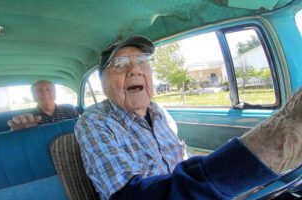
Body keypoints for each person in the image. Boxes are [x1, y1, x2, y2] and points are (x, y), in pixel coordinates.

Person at [74, 35, 302, 200]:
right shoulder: (94, 121)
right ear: (103, 83)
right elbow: (128, 196)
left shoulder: (159, 112)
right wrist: (245, 163)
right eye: (120, 64)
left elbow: (181, 159)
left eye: (142, 61)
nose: (135, 70)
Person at [7, 80, 79, 131]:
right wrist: (16, 130)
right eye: (39, 91)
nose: (45, 93)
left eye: (49, 89)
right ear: (34, 97)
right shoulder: (28, 119)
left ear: (55, 93)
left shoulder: (70, 111)